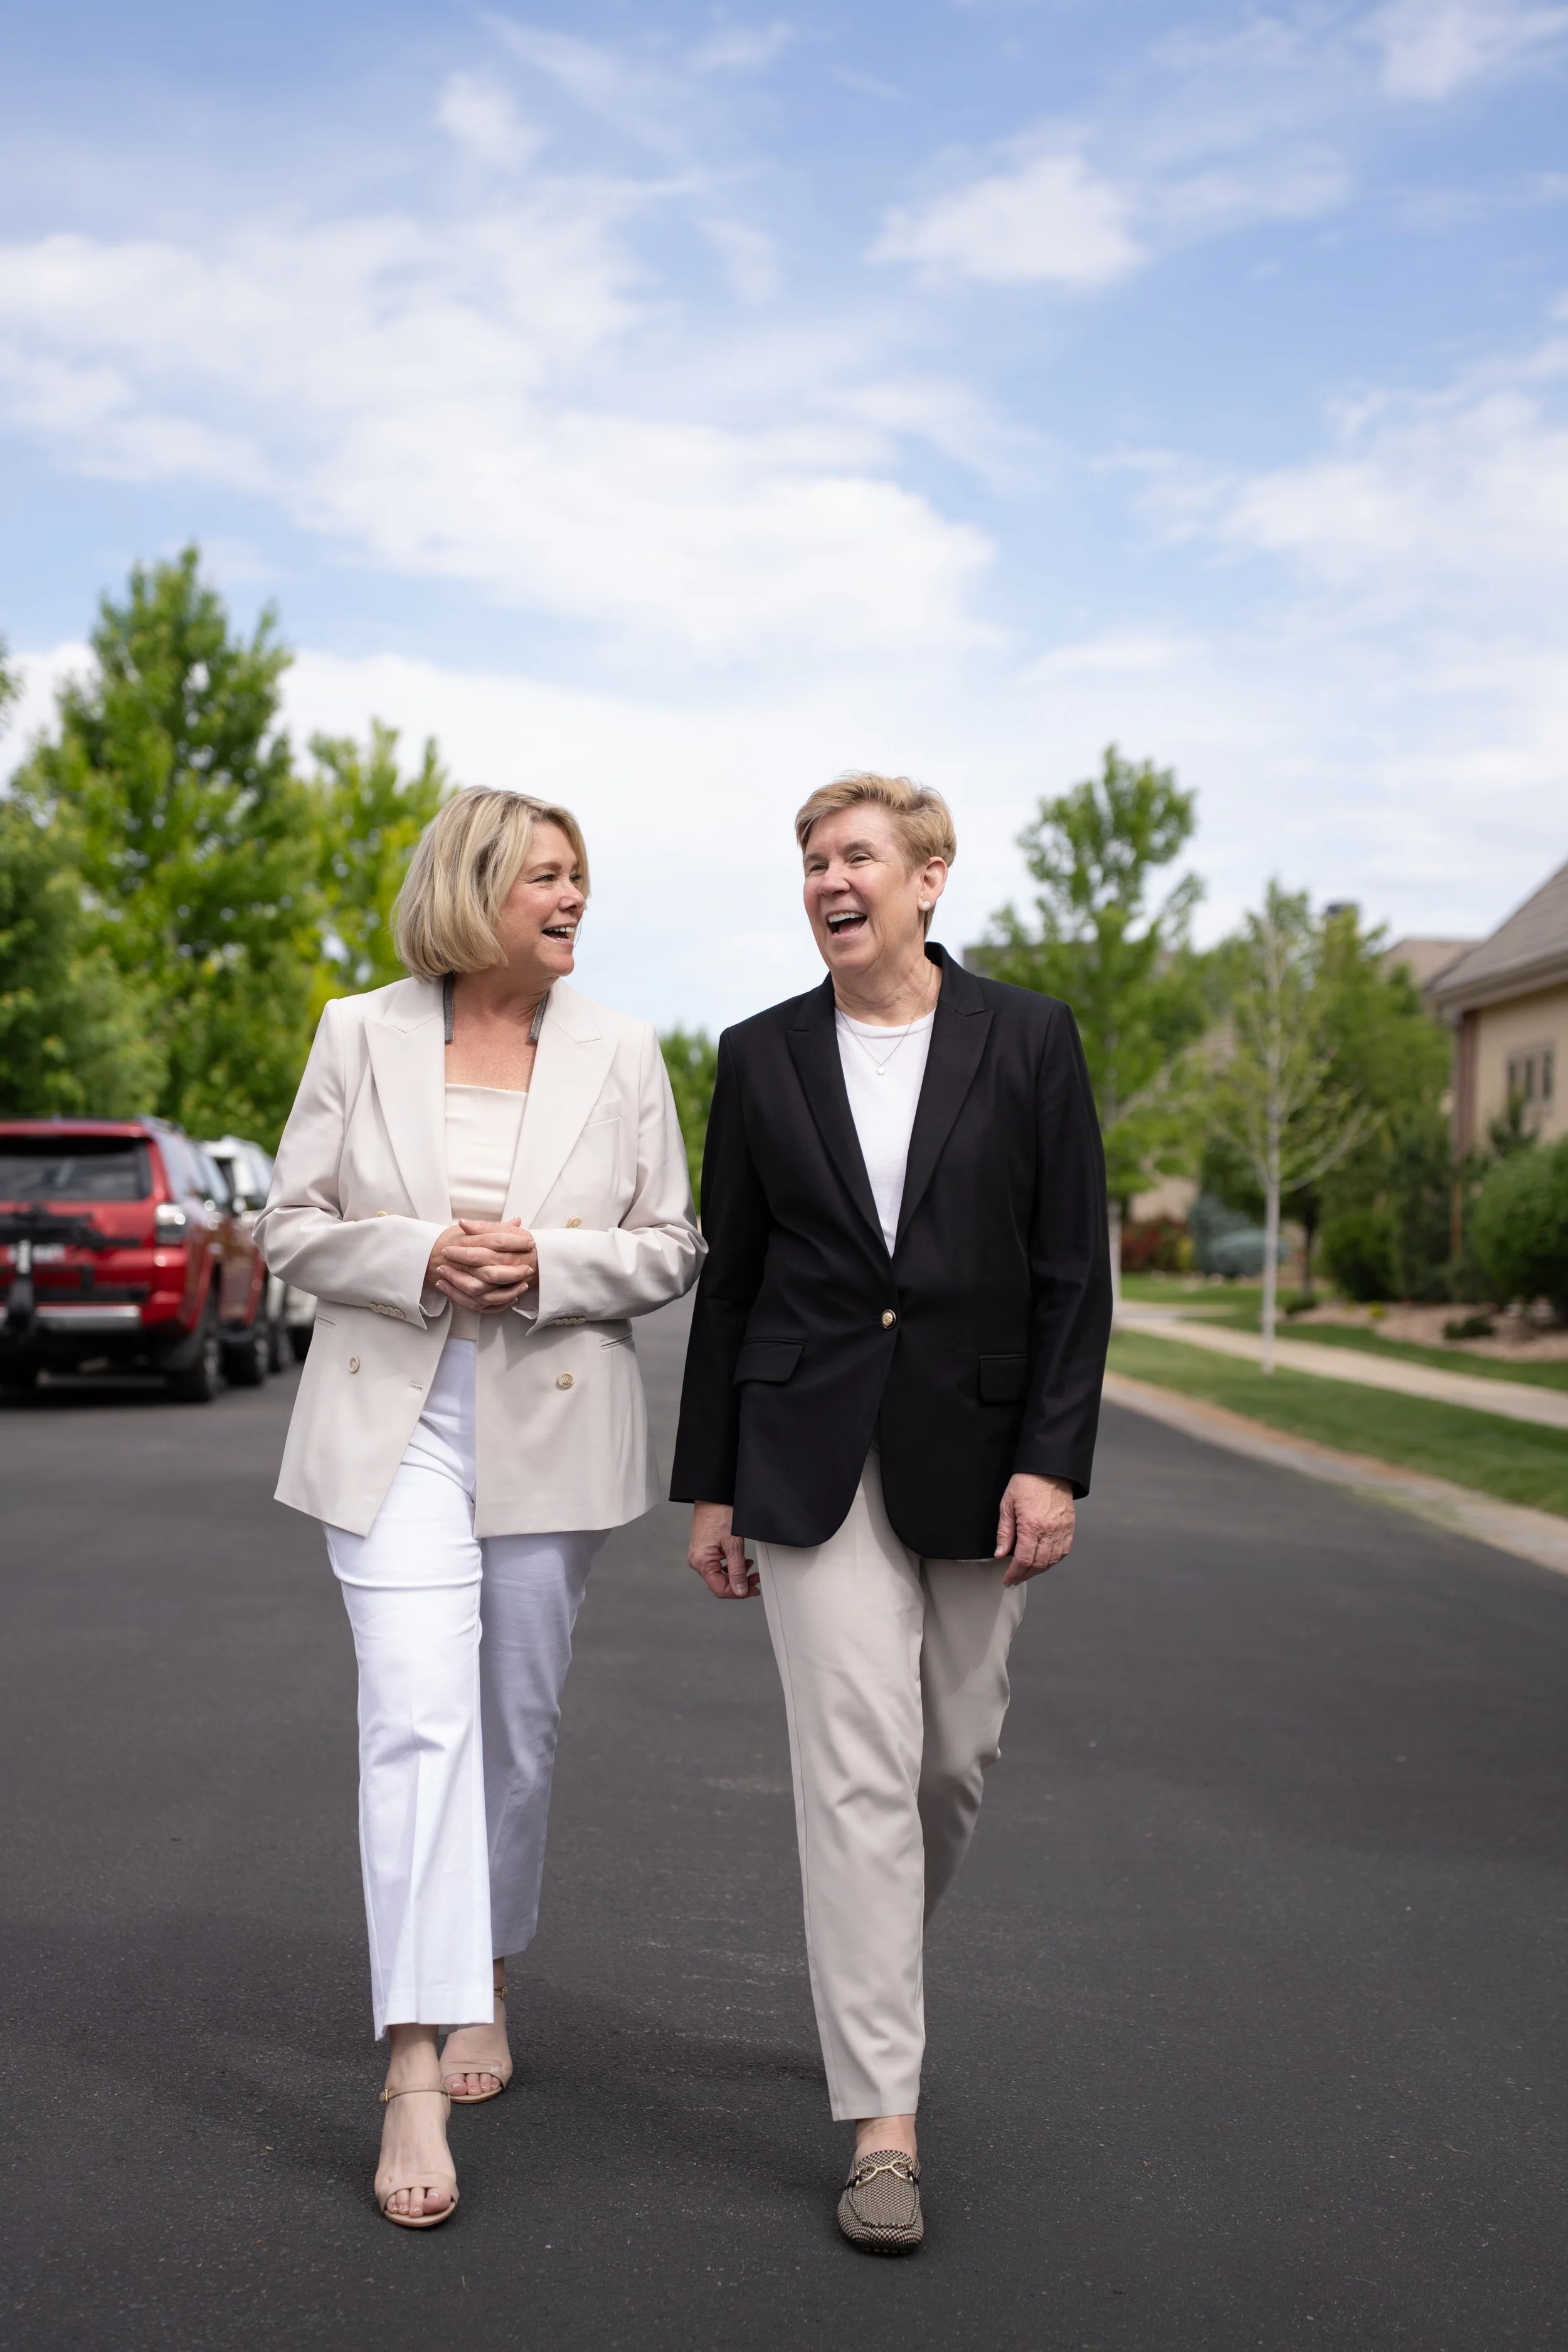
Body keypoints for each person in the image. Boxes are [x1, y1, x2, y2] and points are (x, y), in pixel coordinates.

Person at [670, 771, 1111, 2253]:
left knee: (948, 1767)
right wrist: (712, 1482)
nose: (826, 878)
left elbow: (1069, 1273)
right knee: (855, 1771)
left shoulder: (1031, 1040)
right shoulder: (757, 1055)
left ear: (928, 879)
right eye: (808, 860)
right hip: (805, 1450)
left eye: (854, 854)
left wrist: (1050, 1461)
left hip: (982, 1449)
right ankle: (881, 2124)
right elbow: (729, 1286)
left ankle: (871, 1985)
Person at [257, 787, 702, 2228]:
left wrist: (550, 1268)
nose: (573, 901)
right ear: (473, 888)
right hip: (390, 1429)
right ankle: (406, 2063)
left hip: (550, 1431)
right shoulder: (355, 1031)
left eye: (581, 879)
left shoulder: (623, 1050)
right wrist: (418, 1254)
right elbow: (287, 1227)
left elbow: (672, 1242)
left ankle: (487, 1971)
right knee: (414, 1718)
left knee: (511, 1728)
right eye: (546, 879)